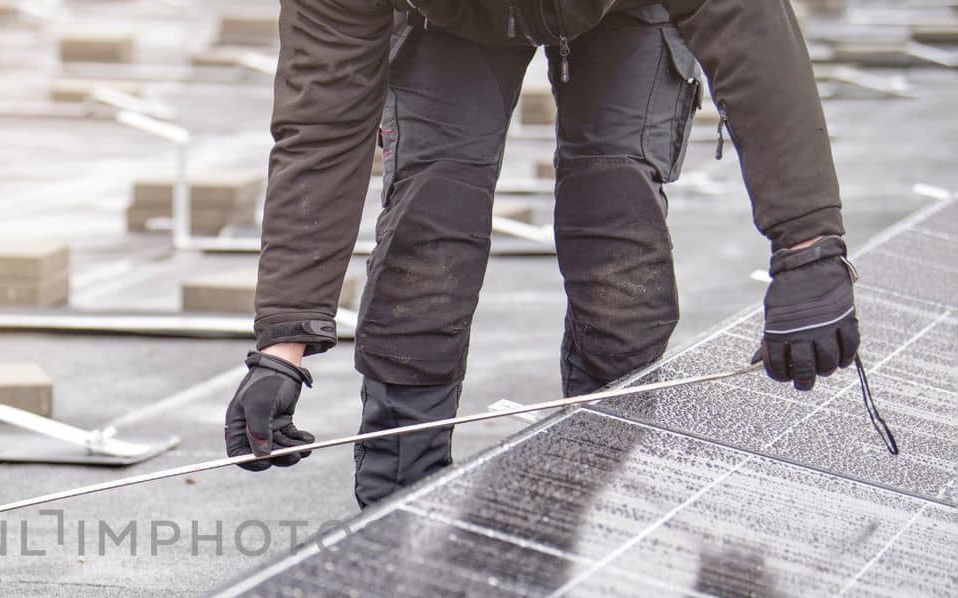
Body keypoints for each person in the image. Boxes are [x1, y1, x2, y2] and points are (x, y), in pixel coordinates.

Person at [224, 0, 861, 507]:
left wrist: (807, 248)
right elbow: (322, 125)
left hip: (624, 13)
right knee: (431, 224)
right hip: (447, 18)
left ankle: (603, 488)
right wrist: (284, 343)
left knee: (617, 230)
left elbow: (752, 37)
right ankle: (398, 503)